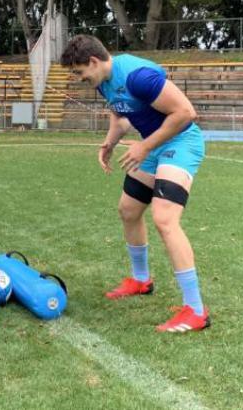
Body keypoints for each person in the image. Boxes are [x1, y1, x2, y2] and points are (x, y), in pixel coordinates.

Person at [59, 34, 211, 333]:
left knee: (165, 219)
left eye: (79, 72)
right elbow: (120, 115)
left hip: (181, 142)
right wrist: (109, 143)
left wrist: (144, 147)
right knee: (128, 210)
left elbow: (185, 113)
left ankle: (195, 310)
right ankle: (141, 280)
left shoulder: (138, 77)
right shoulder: (103, 81)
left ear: (93, 61)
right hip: (155, 145)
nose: (79, 79)